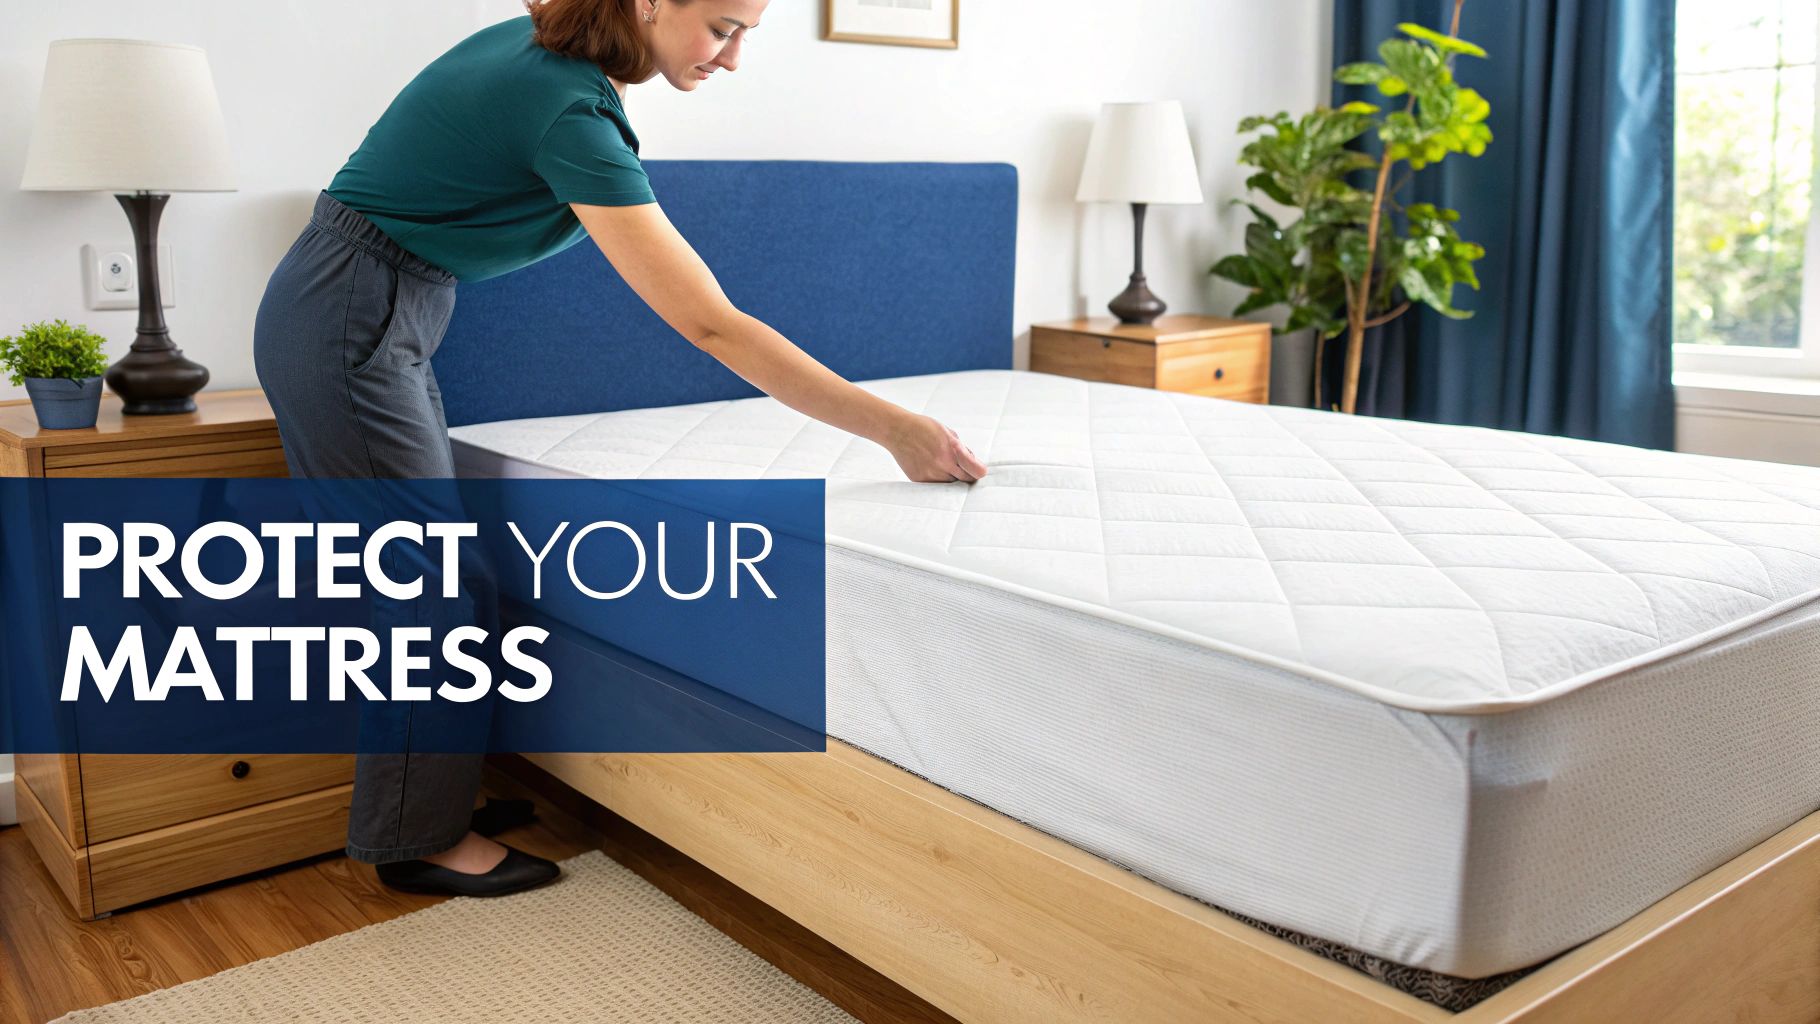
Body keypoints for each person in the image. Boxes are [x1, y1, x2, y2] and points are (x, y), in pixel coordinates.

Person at [252, 0, 988, 898]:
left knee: (435, 577)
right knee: (430, 586)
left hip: (371, 306)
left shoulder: (546, 46)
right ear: (648, 3)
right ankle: (416, 844)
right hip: (352, 318)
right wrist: (897, 429)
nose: (732, 57)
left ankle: (423, 805)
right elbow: (711, 323)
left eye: (747, 32)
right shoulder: (569, 111)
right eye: (723, 26)